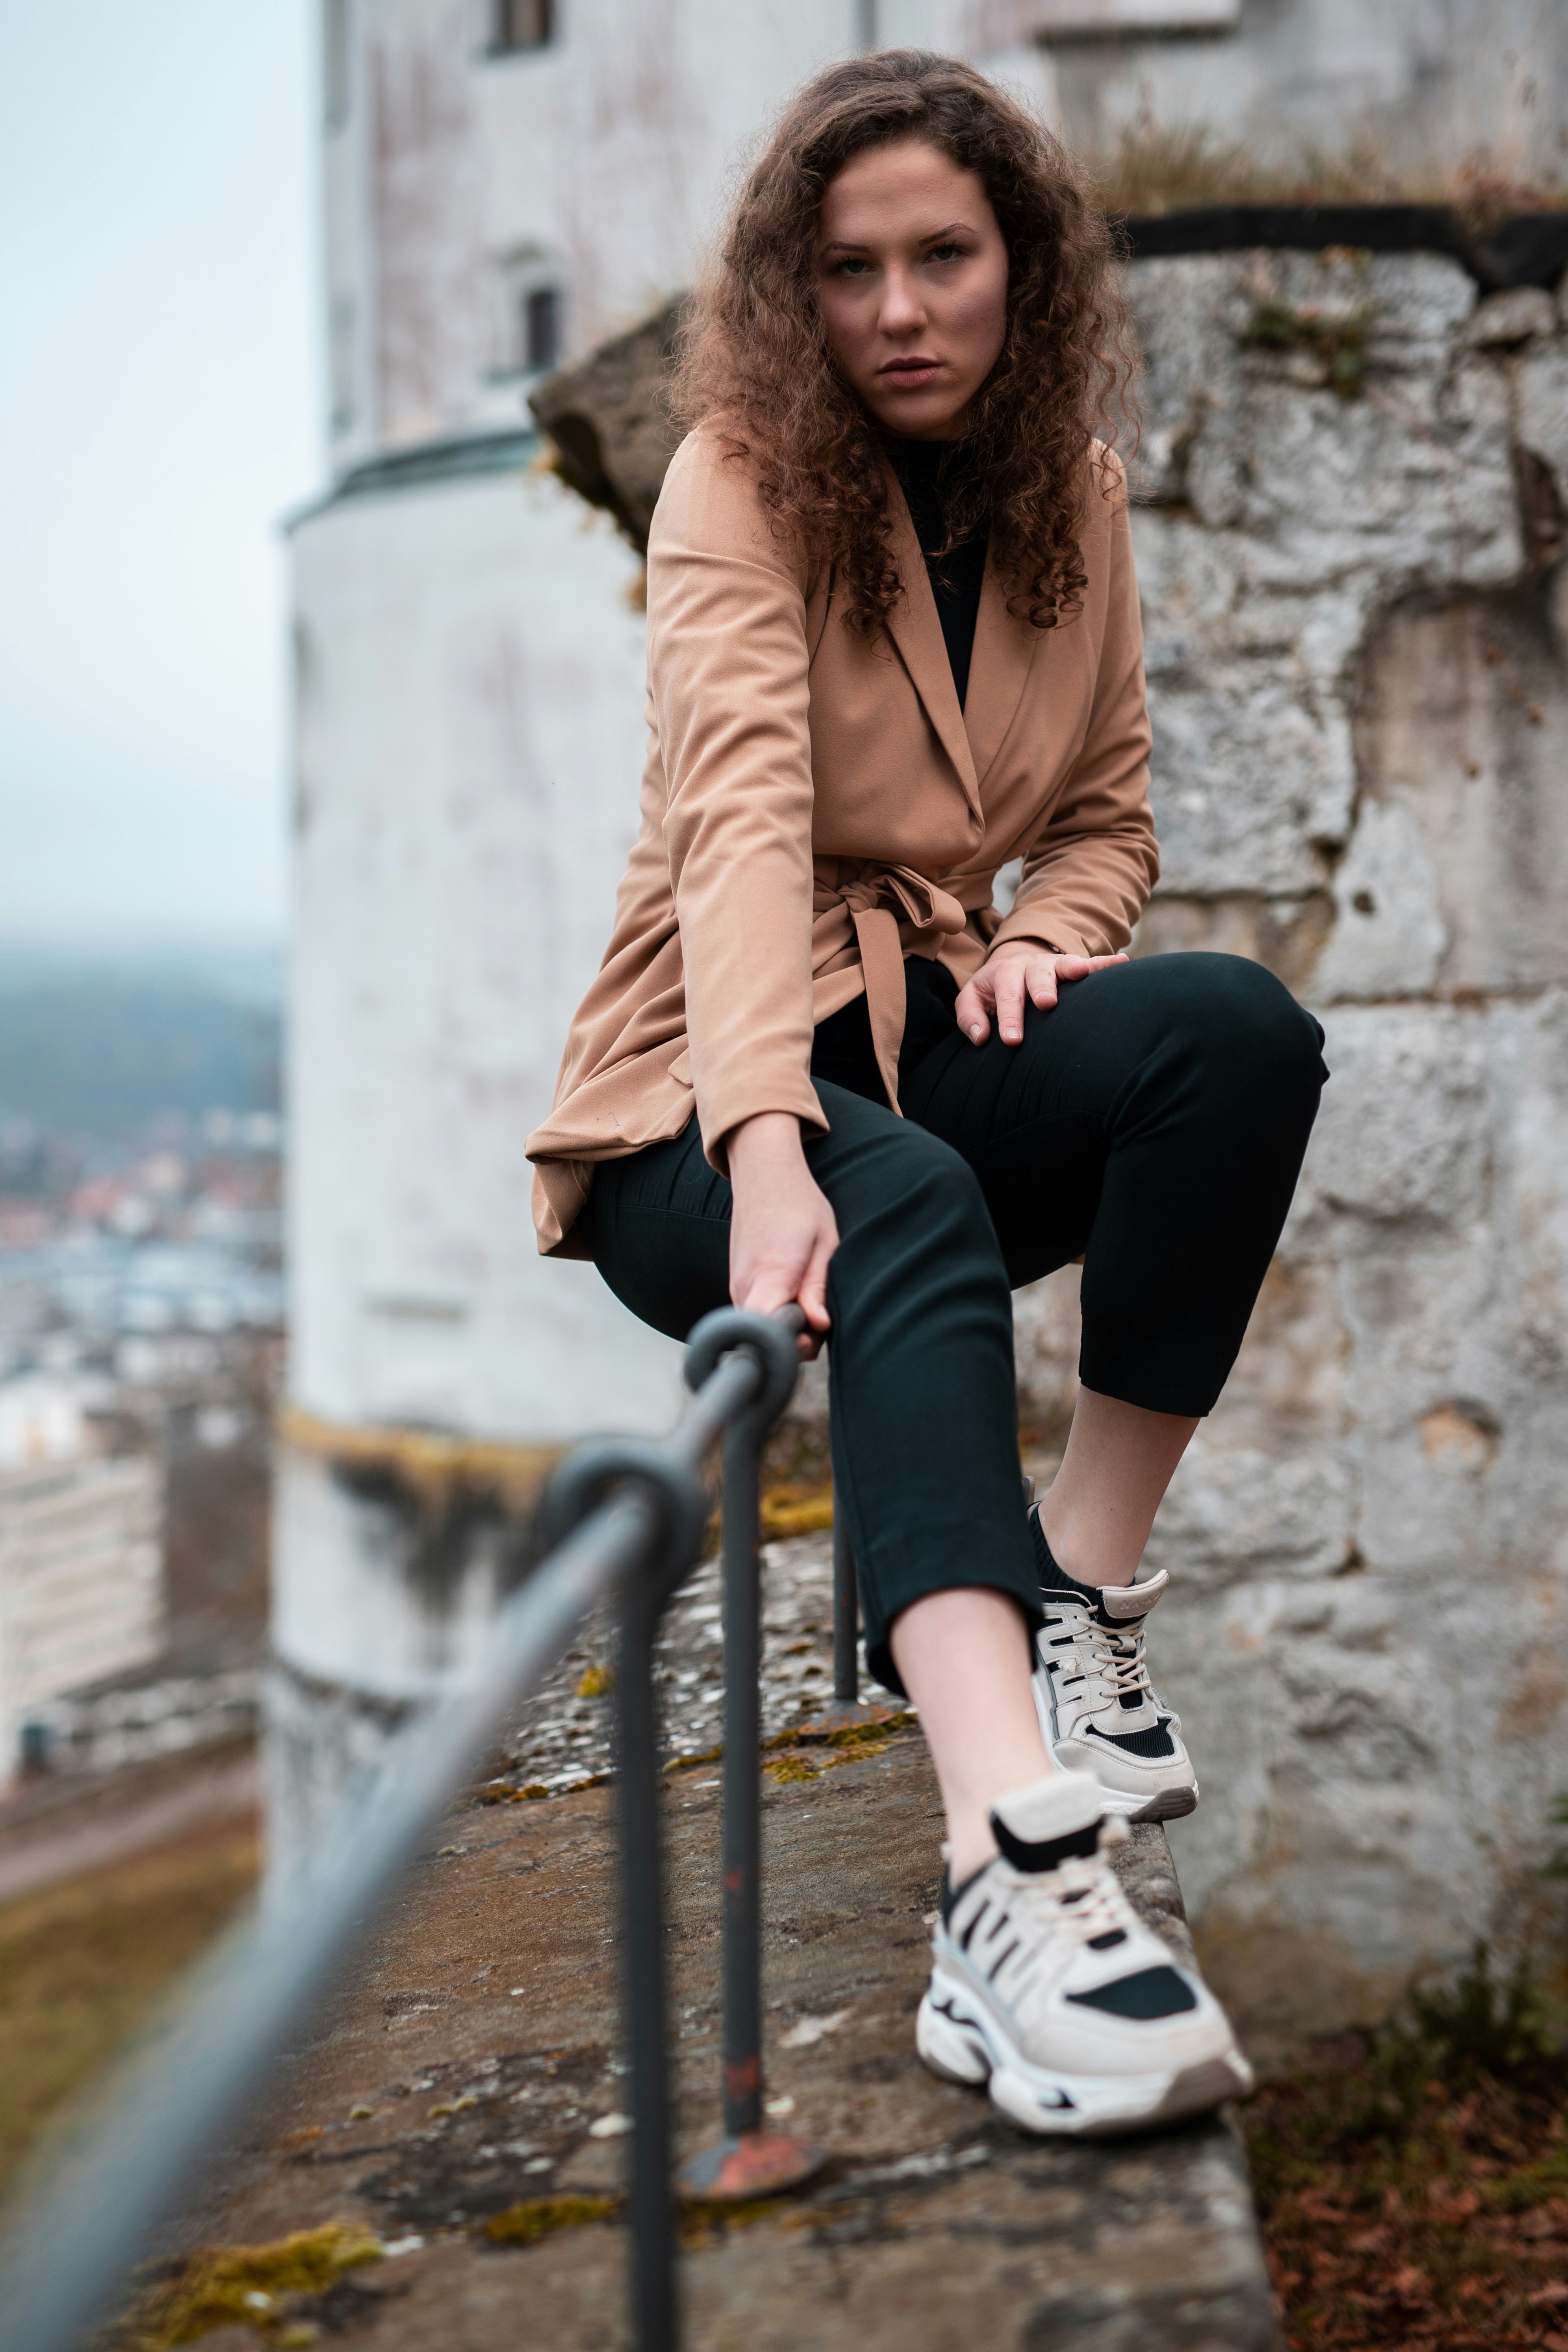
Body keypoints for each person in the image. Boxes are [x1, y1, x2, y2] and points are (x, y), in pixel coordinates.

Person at [526, 50, 1327, 2136]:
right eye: (850, 266)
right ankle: (1007, 1879)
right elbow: (735, 817)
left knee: (1232, 1034)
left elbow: (1109, 809)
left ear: (1017, 263)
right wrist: (766, 1144)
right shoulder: (736, 476)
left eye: (940, 257)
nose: (895, 307)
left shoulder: (1071, 489)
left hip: (926, 1033)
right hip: (694, 1098)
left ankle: (1076, 1584)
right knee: (894, 1207)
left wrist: (1052, 926)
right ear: (796, 291)